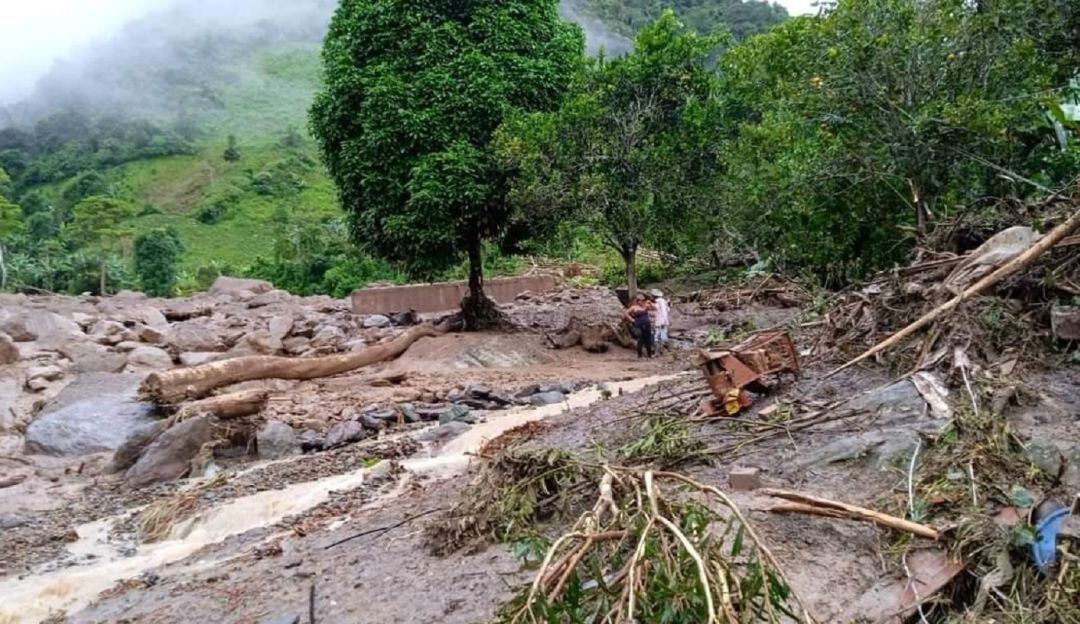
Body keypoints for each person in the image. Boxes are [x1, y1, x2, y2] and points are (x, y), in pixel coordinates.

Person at [625, 294, 655, 359]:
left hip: (647, 324)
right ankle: (640, 356)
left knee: (648, 340)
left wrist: (650, 303)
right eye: (641, 301)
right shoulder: (634, 307)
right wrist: (632, 320)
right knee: (640, 340)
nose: (642, 302)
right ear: (638, 301)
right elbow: (626, 313)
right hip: (639, 325)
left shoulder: (646, 306)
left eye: (643, 300)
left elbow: (654, 308)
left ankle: (649, 355)